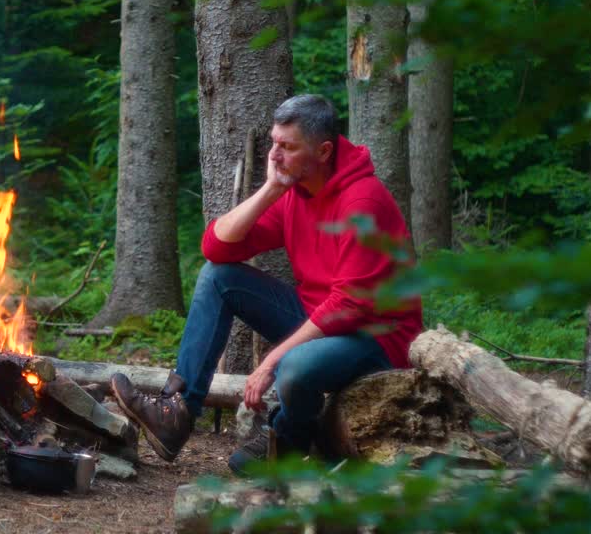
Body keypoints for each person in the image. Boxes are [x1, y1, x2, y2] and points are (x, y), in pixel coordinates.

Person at [110, 94, 422, 475]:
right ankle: (176, 413)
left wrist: (271, 361)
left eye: (287, 147)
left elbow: (349, 305)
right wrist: (272, 189)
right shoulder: (296, 192)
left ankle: (288, 441)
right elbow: (217, 247)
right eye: (274, 142)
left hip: (377, 338)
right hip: (321, 321)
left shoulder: (362, 201)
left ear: (323, 151)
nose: (274, 155)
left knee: (294, 365)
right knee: (218, 277)